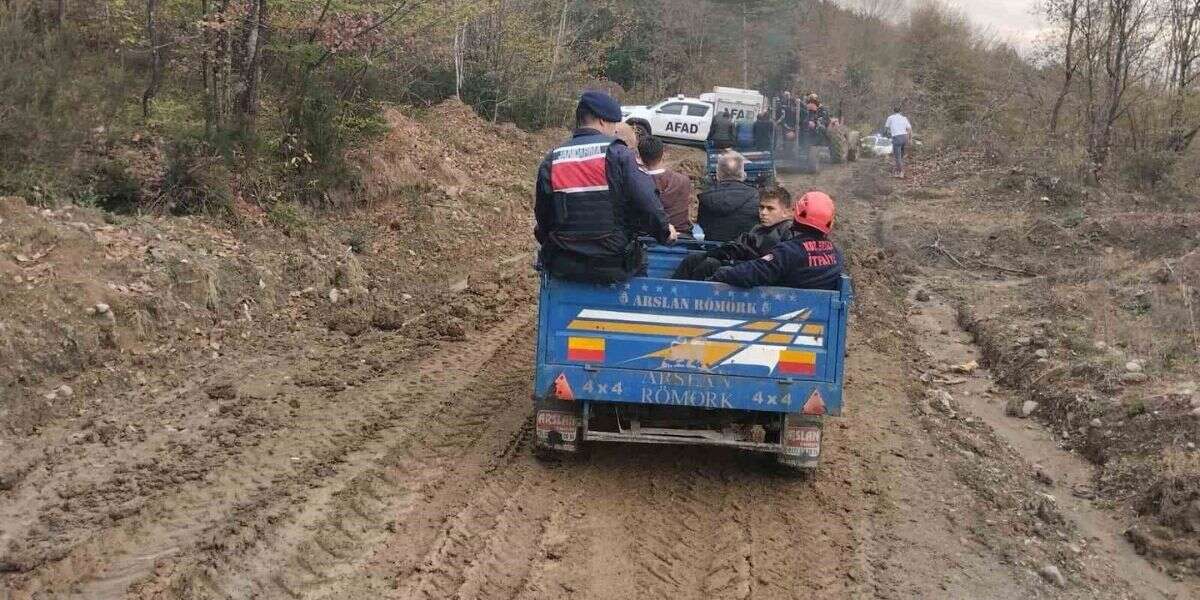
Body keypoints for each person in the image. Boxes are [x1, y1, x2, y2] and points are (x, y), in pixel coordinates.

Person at [534, 91, 677, 284]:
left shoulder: (553, 159)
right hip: (612, 264)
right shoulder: (619, 154)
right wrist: (665, 232)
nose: (614, 130)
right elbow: (646, 201)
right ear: (602, 121)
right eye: (613, 124)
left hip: (565, 263)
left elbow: (543, 215)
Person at [709, 190, 844, 291]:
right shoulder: (836, 254)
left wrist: (720, 274)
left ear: (796, 214)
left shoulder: (789, 251)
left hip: (782, 310)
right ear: (829, 222)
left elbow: (752, 272)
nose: (763, 212)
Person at [672, 185, 797, 280]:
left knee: (709, 265)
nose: (763, 212)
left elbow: (764, 259)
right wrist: (715, 253)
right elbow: (738, 247)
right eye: (761, 207)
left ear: (786, 212)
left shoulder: (787, 232)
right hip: (744, 266)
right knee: (694, 259)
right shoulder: (758, 228)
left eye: (770, 209)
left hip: (757, 275)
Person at [697, 151, 759, 242]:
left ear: (718, 173)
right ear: (742, 173)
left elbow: (703, 224)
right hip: (746, 251)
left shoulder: (706, 198)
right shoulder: (755, 196)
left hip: (714, 251)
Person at [639, 136, 694, 236]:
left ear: (640, 157)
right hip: (682, 237)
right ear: (663, 154)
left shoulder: (636, 184)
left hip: (646, 239)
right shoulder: (683, 181)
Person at [884, 106, 913, 179]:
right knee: (901, 156)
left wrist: (888, 134)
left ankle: (901, 172)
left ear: (894, 111)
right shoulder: (904, 118)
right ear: (900, 112)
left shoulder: (890, 118)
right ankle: (897, 170)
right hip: (905, 137)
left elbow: (886, 129)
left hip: (897, 138)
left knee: (897, 157)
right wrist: (910, 139)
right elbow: (909, 129)